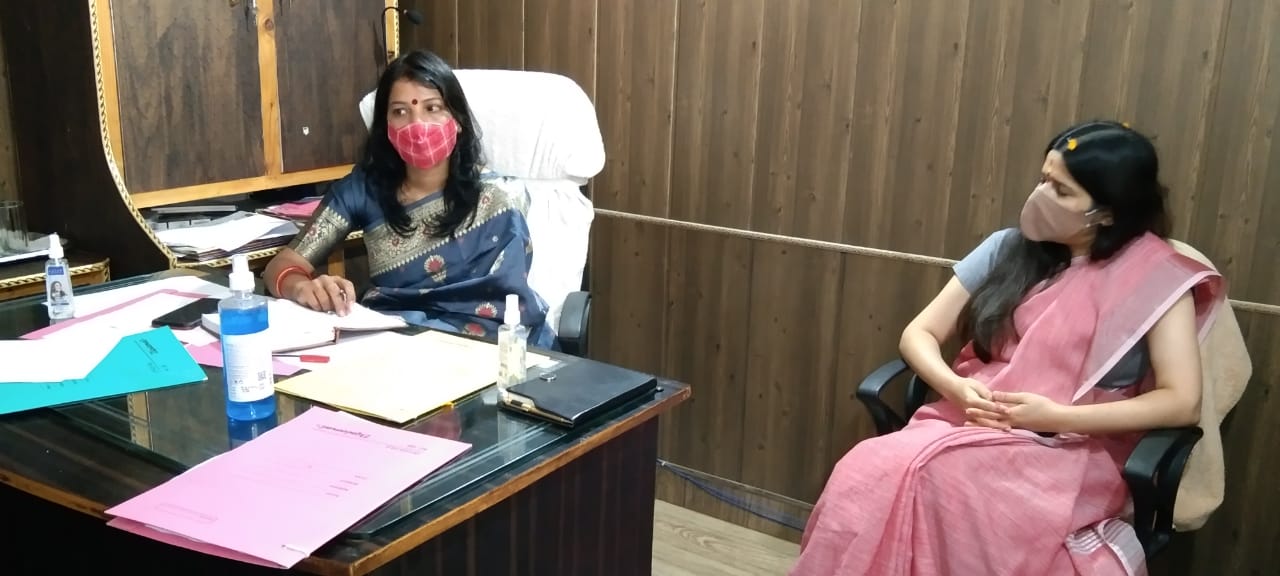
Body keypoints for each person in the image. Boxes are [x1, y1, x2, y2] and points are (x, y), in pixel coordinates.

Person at [791, 121, 1225, 575]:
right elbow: (918, 333)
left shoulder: (1155, 278)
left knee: (945, 485)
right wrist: (955, 388)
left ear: (1108, 213)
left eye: (1061, 190)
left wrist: (1055, 417)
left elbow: (1181, 402)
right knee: (865, 470)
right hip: (970, 416)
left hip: (1072, 445)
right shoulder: (1008, 248)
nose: (1040, 196)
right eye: (1043, 179)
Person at [263, 50, 554, 347]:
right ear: (386, 127)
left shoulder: (498, 197)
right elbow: (282, 265)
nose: (417, 125)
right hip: (396, 341)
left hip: (485, 348)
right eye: (400, 112)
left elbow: (507, 305)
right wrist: (302, 287)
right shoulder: (364, 189)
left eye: (432, 108)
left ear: (458, 120)